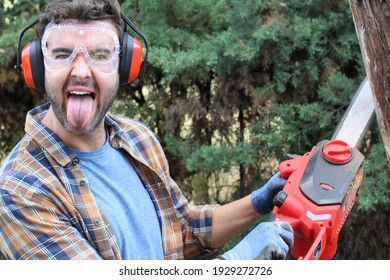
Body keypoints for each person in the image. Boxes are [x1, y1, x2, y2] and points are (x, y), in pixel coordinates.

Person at [0, 0, 293, 260]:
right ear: (38, 66)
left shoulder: (136, 139)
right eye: (62, 54)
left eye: (100, 54)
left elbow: (183, 230)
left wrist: (257, 203)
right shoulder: (20, 192)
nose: (80, 71)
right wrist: (238, 261)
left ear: (125, 65)